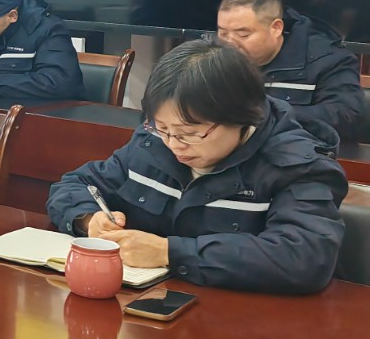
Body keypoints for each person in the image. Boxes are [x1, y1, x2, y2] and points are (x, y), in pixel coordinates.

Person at [48, 41, 346, 295]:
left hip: (247, 324)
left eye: (188, 134)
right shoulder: (152, 143)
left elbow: (305, 256)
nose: (174, 144)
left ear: (243, 117)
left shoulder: (296, 164)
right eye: (162, 128)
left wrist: (170, 252)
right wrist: (89, 218)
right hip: (150, 311)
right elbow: (75, 184)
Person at [215, 0, 364, 147]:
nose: (229, 43)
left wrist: (263, 116)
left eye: (243, 34)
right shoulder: (210, 55)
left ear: (276, 28)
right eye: (223, 33)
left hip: (295, 153)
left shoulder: (328, 60)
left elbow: (345, 118)